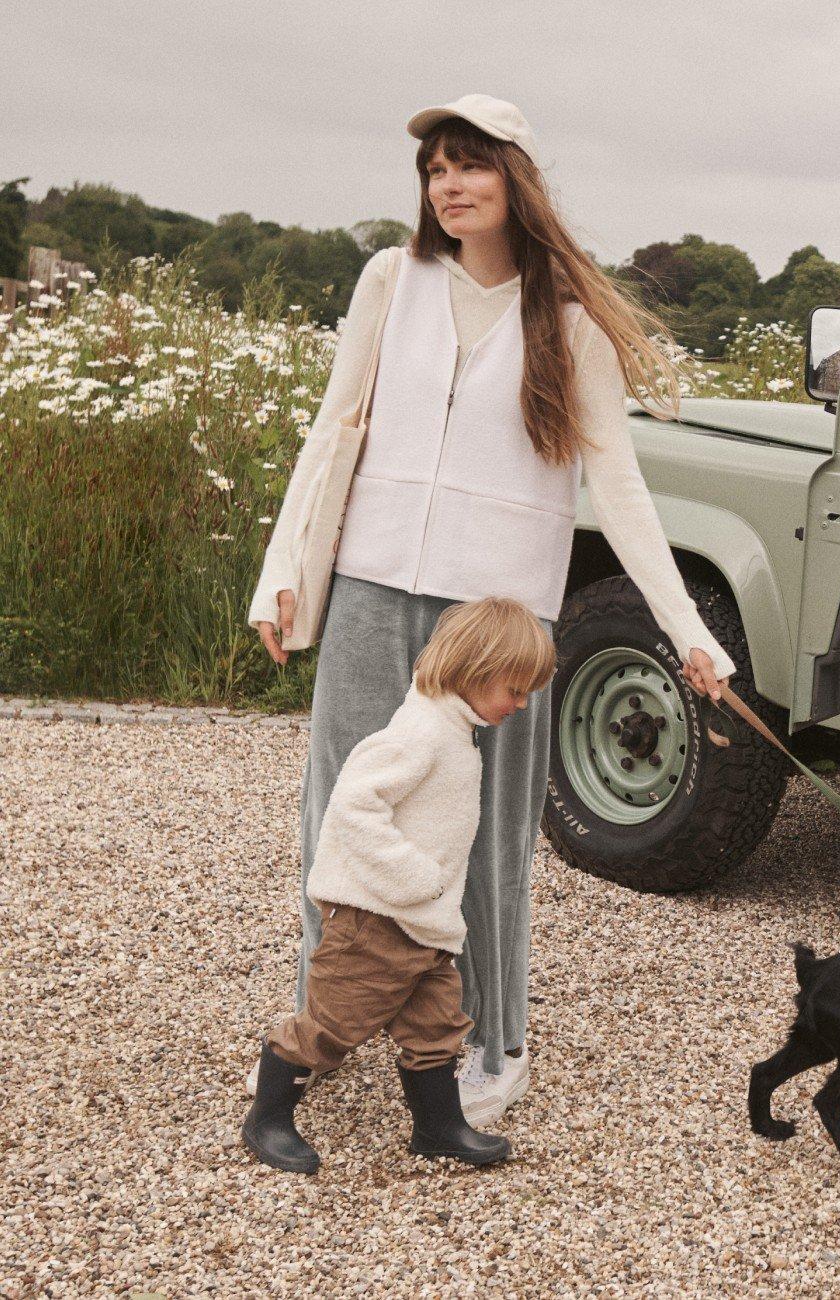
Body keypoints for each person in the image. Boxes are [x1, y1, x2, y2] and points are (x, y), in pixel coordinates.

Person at [248, 94, 736, 1125]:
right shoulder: (392, 278)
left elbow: (621, 485)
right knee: (338, 809)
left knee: (484, 832)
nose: (450, 185)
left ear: (515, 178)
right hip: (375, 583)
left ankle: (489, 1040)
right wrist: (283, 569)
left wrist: (688, 632)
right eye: (435, 169)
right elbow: (336, 428)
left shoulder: (566, 321)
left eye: (470, 165)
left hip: (498, 619)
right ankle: (318, 1026)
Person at [242, 597, 555, 1174]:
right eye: (514, 689)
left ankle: (437, 1126)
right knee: (331, 1025)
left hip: (424, 925)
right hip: (375, 922)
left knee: (437, 1025)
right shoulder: (421, 733)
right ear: (475, 670)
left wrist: (431, 901)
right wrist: (417, 878)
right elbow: (355, 806)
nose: (521, 703)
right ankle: (267, 1118)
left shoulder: (456, 730)